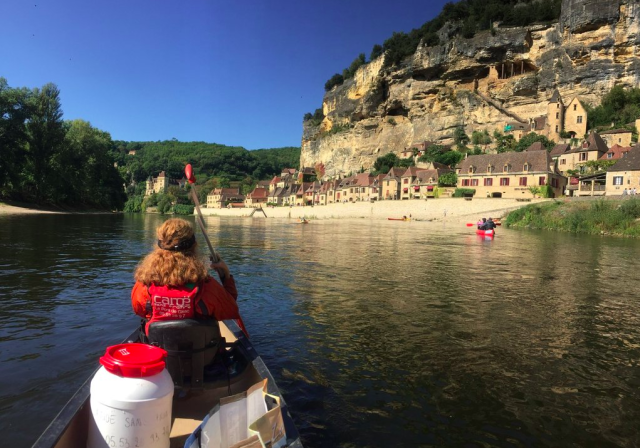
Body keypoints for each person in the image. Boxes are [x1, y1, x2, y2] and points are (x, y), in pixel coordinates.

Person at [131, 218, 245, 335]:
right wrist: (226, 276)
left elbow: (139, 310)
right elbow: (231, 310)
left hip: (159, 350)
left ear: (159, 246)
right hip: (199, 351)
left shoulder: (145, 285)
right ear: (194, 246)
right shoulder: (206, 286)